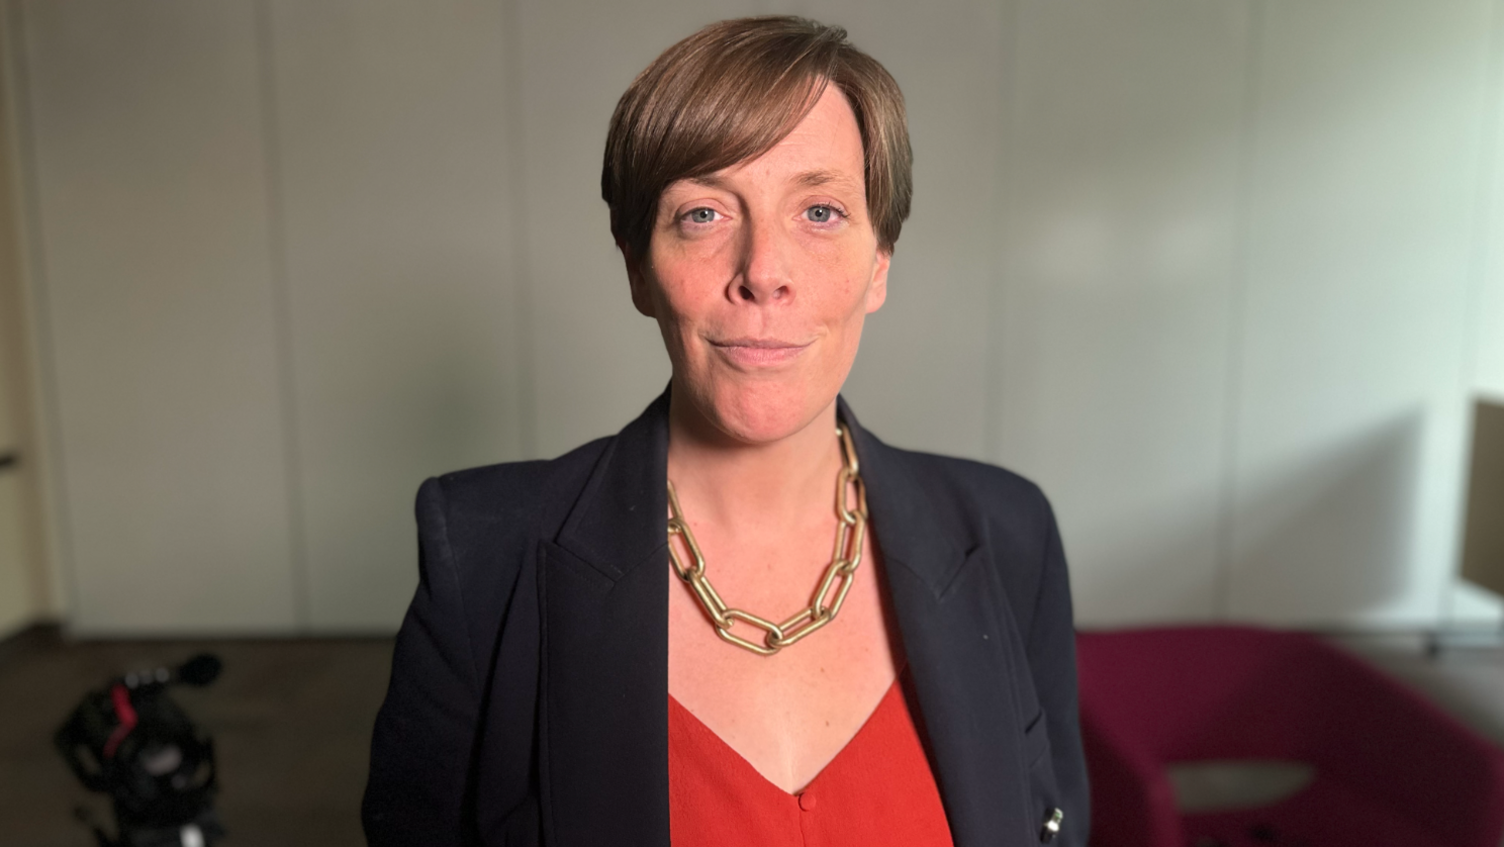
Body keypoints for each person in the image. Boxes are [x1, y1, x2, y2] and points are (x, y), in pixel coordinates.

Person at [363, 16, 1087, 847]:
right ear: (638, 265)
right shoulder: (484, 559)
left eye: (819, 210)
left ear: (880, 259)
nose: (764, 272)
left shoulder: (1008, 534)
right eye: (704, 213)